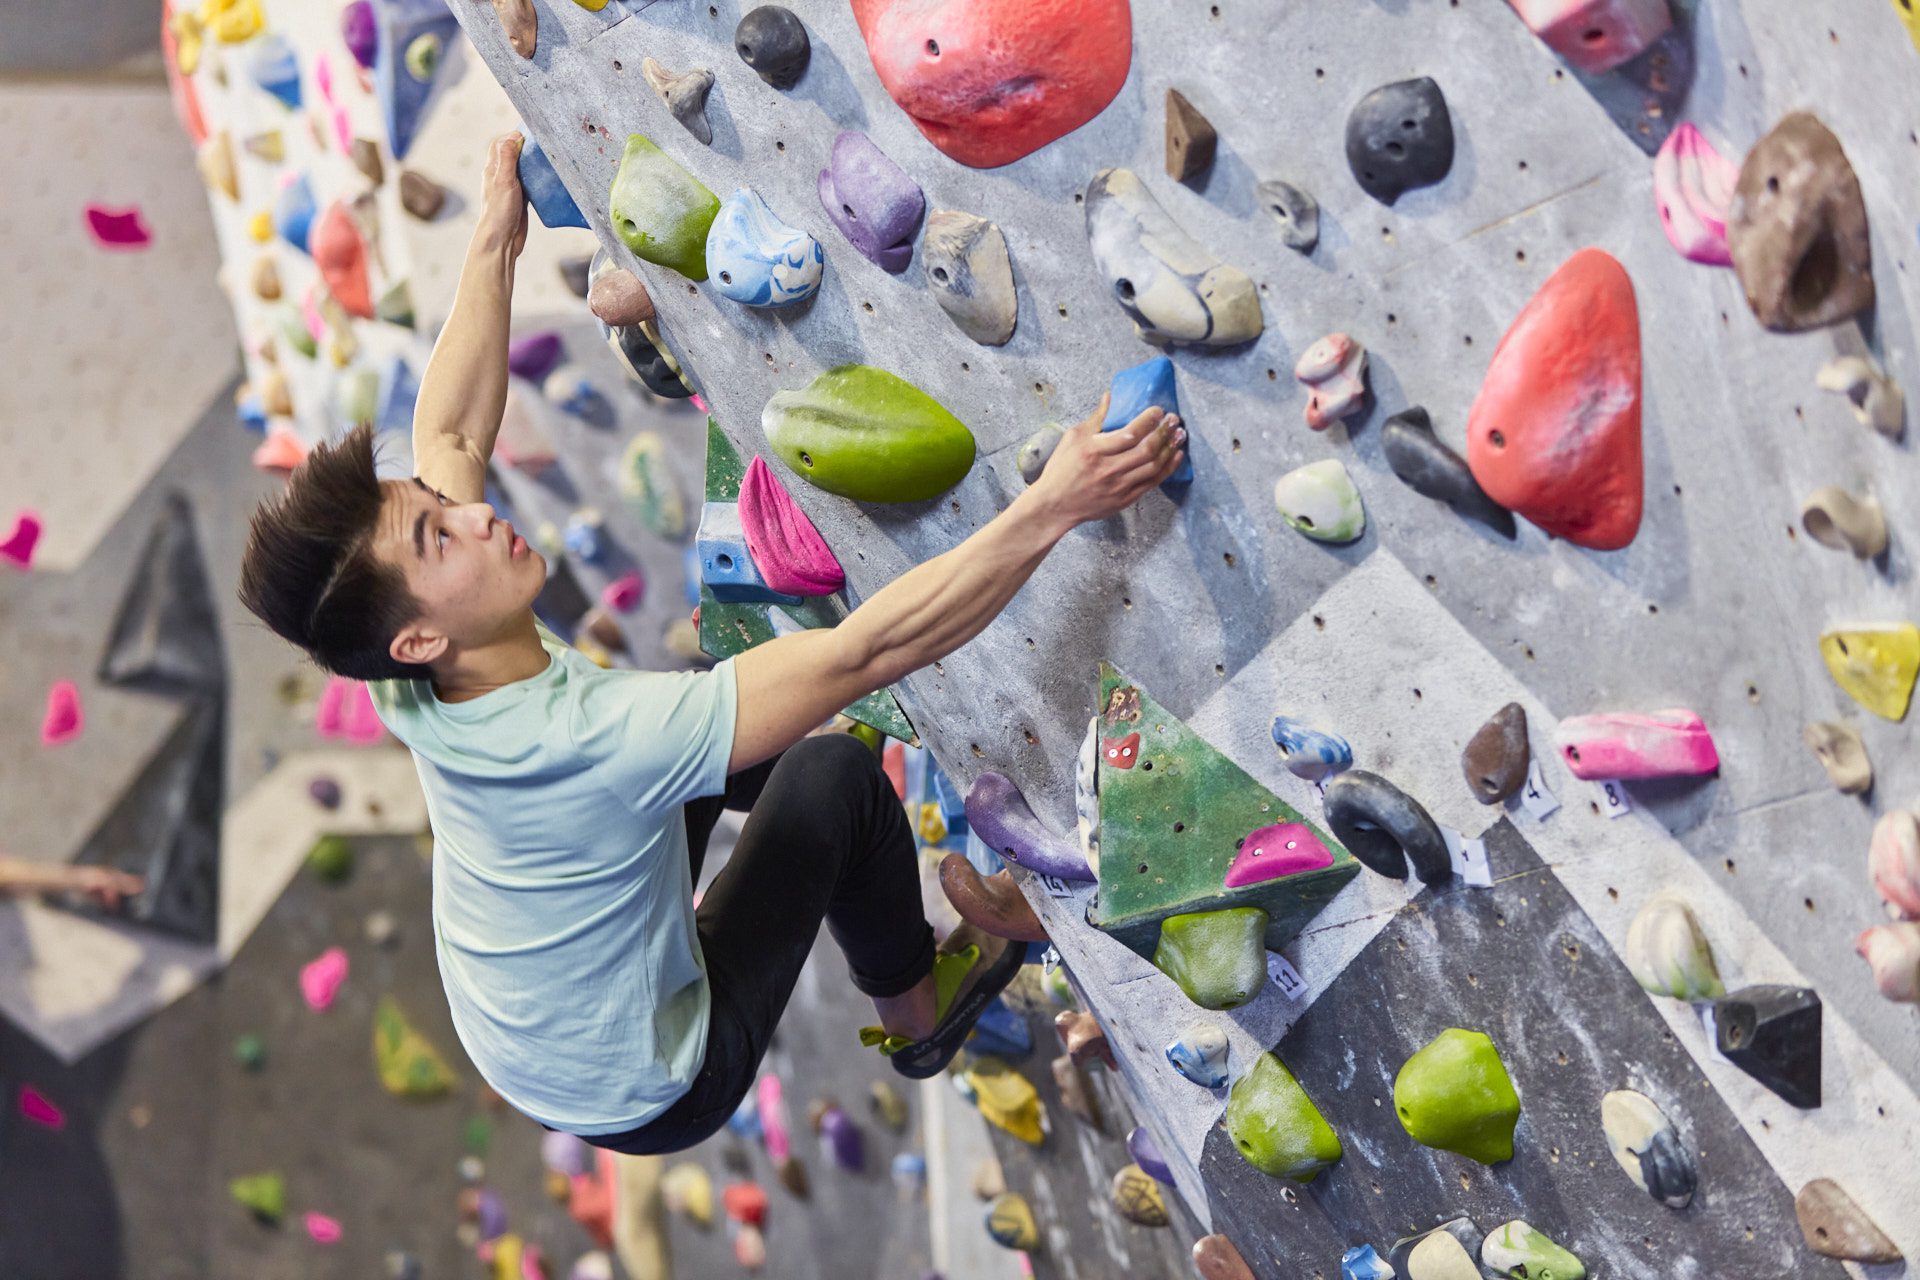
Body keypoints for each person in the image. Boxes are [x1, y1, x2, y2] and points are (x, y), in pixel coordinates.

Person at [235, 134, 1187, 1154]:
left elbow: (452, 441)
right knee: (833, 776)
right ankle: (922, 1012)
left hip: (531, 1003)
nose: (471, 515)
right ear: (418, 633)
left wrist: (493, 236)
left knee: (731, 710)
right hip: (639, 1081)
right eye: (435, 534)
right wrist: (1054, 502)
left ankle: (767, 899)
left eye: (434, 508)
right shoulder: (596, 733)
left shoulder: (404, 662)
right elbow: (871, 649)